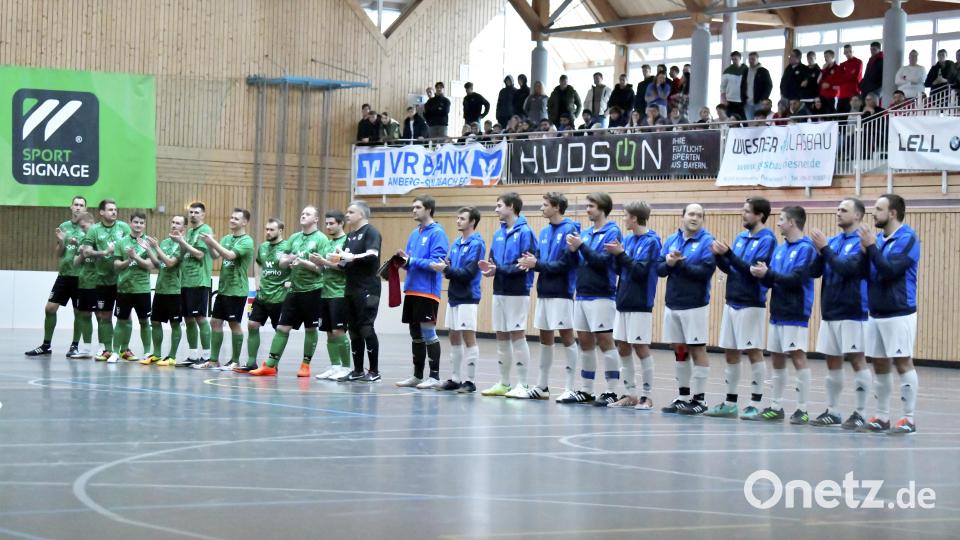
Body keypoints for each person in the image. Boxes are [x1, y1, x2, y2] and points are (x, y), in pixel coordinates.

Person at [708, 198, 777, 420]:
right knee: (730, 351)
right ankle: (730, 402)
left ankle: (755, 403)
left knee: (754, 351)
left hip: (751, 303)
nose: (742, 214)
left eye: (747, 211)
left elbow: (752, 271)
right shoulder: (740, 237)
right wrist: (719, 257)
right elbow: (732, 268)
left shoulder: (767, 239)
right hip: (732, 301)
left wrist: (729, 254)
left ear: (760, 215)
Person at [750, 206, 818, 424]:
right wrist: (762, 274)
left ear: (792, 222)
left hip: (795, 310)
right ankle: (776, 406)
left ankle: (802, 408)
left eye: (781, 219)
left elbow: (795, 279)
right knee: (777, 358)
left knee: (797, 356)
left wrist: (769, 273)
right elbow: (775, 279)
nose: (778, 223)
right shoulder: (780, 249)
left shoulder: (807, 248)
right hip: (777, 309)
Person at [859, 194, 921, 434]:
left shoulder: (907, 238)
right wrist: (866, 252)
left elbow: (889, 270)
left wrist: (871, 247)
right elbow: (866, 272)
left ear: (893, 213)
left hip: (899, 311)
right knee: (880, 364)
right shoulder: (880, 241)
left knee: (902, 361)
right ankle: (882, 416)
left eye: (879, 209)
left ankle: (909, 418)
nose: (874, 213)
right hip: (876, 312)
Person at [808, 198, 872, 429]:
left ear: (857, 216)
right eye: (837, 209)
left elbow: (849, 269)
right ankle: (833, 410)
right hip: (831, 309)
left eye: (843, 210)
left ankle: (861, 412)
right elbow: (815, 272)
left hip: (853, 309)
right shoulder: (833, 242)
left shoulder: (861, 243)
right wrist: (818, 252)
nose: (838, 213)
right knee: (832, 361)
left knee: (857, 360)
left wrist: (825, 248)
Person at [249, 206, 326, 377]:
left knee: (310, 329)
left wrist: (303, 262)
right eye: (302, 213)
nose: (303, 215)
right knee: (283, 327)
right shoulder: (294, 238)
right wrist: (288, 260)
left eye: (308, 214)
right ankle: (270, 364)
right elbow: (282, 262)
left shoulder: (321, 239)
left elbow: (321, 269)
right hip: (294, 290)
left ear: (316, 219)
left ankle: (305, 365)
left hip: (313, 290)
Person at [518, 193, 580, 401]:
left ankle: (570, 386)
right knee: (545, 336)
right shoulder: (544, 231)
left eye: (544, 205)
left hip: (562, 292)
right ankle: (542, 386)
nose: (541, 208)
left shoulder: (571, 229)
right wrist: (530, 261)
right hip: (544, 290)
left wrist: (537, 264)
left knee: (567, 336)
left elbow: (565, 264)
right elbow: (541, 260)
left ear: (556, 207)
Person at [562, 193, 622, 406]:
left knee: (605, 341)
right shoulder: (584, 233)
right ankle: (587, 389)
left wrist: (581, 247)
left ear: (603, 208)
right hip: (583, 294)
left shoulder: (612, 231)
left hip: (602, 295)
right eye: (587, 206)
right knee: (585, 343)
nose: (587, 209)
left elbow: (602, 262)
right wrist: (571, 251)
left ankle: (611, 391)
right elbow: (577, 261)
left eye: (591, 206)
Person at [657, 203, 716, 415]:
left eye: (699, 215)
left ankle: (700, 399)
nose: (695, 218)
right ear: (683, 216)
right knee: (679, 350)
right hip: (673, 302)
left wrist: (679, 264)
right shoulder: (672, 240)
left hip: (695, 305)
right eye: (691, 214)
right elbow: (659, 269)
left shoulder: (707, 241)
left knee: (697, 349)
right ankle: (683, 396)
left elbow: (705, 271)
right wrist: (669, 264)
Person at [477, 193, 537, 397]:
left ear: (511, 207)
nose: (496, 209)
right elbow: (493, 260)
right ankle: (504, 383)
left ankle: (523, 384)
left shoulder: (526, 232)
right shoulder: (498, 233)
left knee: (517, 334)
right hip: (499, 289)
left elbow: (524, 264)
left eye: (499, 205)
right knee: (501, 335)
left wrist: (498, 269)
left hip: (517, 291)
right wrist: (490, 269)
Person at [605, 201, 660, 409]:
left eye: (626, 215)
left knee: (640, 347)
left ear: (635, 218)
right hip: (624, 300)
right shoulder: (627, 240)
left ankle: (646, 395)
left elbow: (640, 271)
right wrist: (615, 256)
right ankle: (630, 393)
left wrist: (620, 254)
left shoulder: (652, 241)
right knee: (623, 347)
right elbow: (622, 270)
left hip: (640, 302)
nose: (624, 219)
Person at [394, 196, 448, 389]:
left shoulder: (438, 233)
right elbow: (411, 262)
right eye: (413, 207)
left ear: (428, 210)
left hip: (427, 291)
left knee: (428, 332)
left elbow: (437, 264)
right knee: (415, 332)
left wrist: (411, 261)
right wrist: (402, 262)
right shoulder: (414, 233)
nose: (413, 210)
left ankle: (434, 376)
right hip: (412, 288)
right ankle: (417, 375)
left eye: (417, 207)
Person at [26, 196, 89, 358]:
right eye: (75, 204)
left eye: (81, 205)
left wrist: (79, 247)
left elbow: (90, 255)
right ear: (70, 207)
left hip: (81, 278)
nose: (78, 207)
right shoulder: (64, 227)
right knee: (50, 309)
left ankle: (74, 346)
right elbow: (58, 253)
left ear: (85, 209)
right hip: (64, 276)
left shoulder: (89, 229)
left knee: (79, 313)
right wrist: (61, 242)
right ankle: (46, 345)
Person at [433, 207, 485, 393]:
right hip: (454, 295)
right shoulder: (456, 243)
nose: (458, 221)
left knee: (468, 337)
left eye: (462, 218)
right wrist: (446, 266)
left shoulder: (477, 244)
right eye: (457, 218)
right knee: (454, 336)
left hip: (468, 296)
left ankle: (470, 381)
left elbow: (469, 273)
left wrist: (446, 270)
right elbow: (452, 267)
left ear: (472, 222)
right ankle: (455, 378)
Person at [195, 208, 254, 370]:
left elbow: (229, 256)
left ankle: (235, 361)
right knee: (215, 322)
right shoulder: (227, 238)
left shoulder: (246, 241)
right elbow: (216, 256)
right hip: (224, 289)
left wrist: (213, 242)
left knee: (234, 323)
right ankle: (214, 360)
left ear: (244, 222)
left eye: (236, 218)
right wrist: (208, 244)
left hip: (237, 290)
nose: (232, 220)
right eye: (231, 217)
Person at [335, 201, 383, 382]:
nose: (346, 215)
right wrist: (334, 260)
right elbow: (345, 263)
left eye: (351, 212)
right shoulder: (350, 236)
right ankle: (357, 370)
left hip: (367, 288)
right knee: (353, 329)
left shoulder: (371, 232)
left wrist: (351, 257)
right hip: (351, 288)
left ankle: (374, 371)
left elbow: (372, 255)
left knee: (365, 327)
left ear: (361, 214)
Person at [81, 199, 132, 363]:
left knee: (125, 316)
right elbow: (87, 252)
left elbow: (133, 245)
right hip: (102, 280)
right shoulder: (94, 230)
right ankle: (107, 349)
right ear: (101, 212)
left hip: (122, 280)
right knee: (105, 316)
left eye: (115, 209)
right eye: (110, 209)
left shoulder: (124, 227)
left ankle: (124, 349)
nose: (114, 212)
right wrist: (104, 252)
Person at [238, 218, 289, 373]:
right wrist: (257, 282)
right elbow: (258, 262)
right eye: (266, 229)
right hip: (262, 295)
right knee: (252, 325)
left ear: (280, 231)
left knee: (279, 330)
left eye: (271, 229)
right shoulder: (263, 247)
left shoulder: (288, 247)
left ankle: (273, 364)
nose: (268, 232)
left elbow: (296, 266)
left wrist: (290, 281)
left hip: (279, 297)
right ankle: (251, 362)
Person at [310, 211, 353, 381]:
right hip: (325, 292)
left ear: (341, 223)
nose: (328, 227)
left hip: (340, 292)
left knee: (338, 330)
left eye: (331, 224)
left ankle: (347, 367)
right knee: (328, 331)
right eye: (326, 224)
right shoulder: (327, 244)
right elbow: (322, 268)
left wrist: (324, 262)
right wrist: (314, 263)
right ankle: (335, 366)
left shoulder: (347, 242)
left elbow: (344, 267)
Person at [171, 202, 214, 366]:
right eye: (191, 212)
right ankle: (193, 355)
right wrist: (178, 241)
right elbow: (183, 254)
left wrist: (182, 243)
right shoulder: (188, 232)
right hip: (186, 282)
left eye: (197, 212)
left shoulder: (205, 231)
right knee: (188, 319)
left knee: (200, 318)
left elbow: (199, 254)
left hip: (199, 281)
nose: (193, 215)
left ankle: (206, 355)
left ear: (203, 215)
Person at [141, 215, 186, 366]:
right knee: (155, 321)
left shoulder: (183, 245)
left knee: (174, 323)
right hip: (161, 288)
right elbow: (158, 264)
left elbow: (170, 263)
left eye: (178, 223)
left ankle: (172, 356)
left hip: (174, 290)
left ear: (183, 228)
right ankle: (157, 354)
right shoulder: (166, 243)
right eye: (172, 222)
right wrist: (148, 250)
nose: (174, 225)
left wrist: (156, 247)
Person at [111, 212, 154, 361]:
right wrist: (128, 261)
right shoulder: (121, 242)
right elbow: (116, 265)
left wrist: (135, 257)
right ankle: (115, 352)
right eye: (136, 222)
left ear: (144, 225)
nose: (138, 225)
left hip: (142, 289)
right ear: (130, 223)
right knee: (121, 321)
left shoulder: (148, 243)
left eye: (141, 223)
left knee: (144, 321)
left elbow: (150, 265)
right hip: (124, 289)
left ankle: (147, 352)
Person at [72, 213, 99, 360]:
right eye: (80, 228)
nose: (83, 230)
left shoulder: (100, 239)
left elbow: (108, 258)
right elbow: (75, 262)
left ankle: (104, 348)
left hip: (99, 283)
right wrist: (82, 253)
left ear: (92, 223)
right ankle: (87, 348)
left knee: (101, 316)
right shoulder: (83, 240)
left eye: (84, 227)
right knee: (85, 315)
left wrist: (93, 253)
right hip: (84, 283)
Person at [742, 52, 772, 120]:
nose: (751, 61)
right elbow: (742, 86)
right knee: (750, 123)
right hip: (747, 103)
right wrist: (743, 99)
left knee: (760, 122)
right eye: (749, 59)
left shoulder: (763, 71)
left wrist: (763, 99)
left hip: (759, 102)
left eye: (753, 59)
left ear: (757, 59)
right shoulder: (746, 71)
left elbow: (769, 85)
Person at [720, 51, 747, 120]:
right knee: (730, 121)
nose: (734, 61)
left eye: (735, 59)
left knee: (745, 120)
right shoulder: (727, 71)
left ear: (740, 58)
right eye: (732, 59)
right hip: (730, 100)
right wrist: (724, 100)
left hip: (743, 100)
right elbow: (723, 86)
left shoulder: (746, 70)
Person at [837, 44, 863, 113]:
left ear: (852, 51)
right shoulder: (842, 64)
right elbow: (839, 79)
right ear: (844, 53)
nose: (848, 53)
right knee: (840, 115)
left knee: (854, 115)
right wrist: (850, 74)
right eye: (846, 52)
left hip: (853, 93)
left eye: (850, 51)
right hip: (842, 93)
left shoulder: (858, 62)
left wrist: (845, 76)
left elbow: (856, 77)